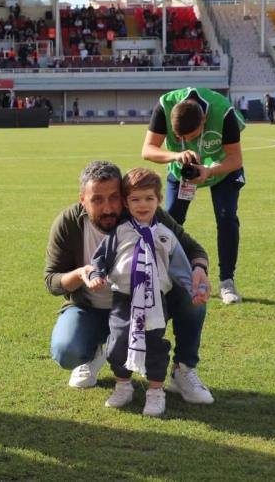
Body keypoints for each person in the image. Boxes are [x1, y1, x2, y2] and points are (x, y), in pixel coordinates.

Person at [44, 160, 214, 404]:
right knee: (67, 351)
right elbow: (52, 281)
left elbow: (192, 248)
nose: (108, 208)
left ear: (123, 197)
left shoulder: (142, 213)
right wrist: (81, 274)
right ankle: (94, 352)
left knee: (192, 295)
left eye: (114, 197)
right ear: (82, 199)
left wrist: (199, 269)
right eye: (97, 199)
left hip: (145, 305)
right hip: (91, 308)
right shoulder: (68, 223)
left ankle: (183, 369)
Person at [87, 168, 202, 417]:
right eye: (135, 199)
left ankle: (156, 392)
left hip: (155, 300)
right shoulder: (120, 232)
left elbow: (181, 267)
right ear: (126, 203)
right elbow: (99, 259)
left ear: (158, 200)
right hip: (123, 299)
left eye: (149, 198)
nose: (142, 205)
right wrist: (96, 275)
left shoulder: (166, 235)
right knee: (118, 343)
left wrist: (195, 289)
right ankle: (123, 386)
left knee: (154, 344)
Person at [141, 87, 246, 304]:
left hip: (221, 169)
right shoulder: (165, 105)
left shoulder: (223, 112)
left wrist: (209, 171)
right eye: (180, 137)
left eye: (192, 136)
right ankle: (161, 276)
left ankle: (227, 281)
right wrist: (176, 155)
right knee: (169, 220)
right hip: (182, 171)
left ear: (204, 120)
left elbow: (235, 159)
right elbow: (148, 150)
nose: (186, 140)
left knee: (226, 217)